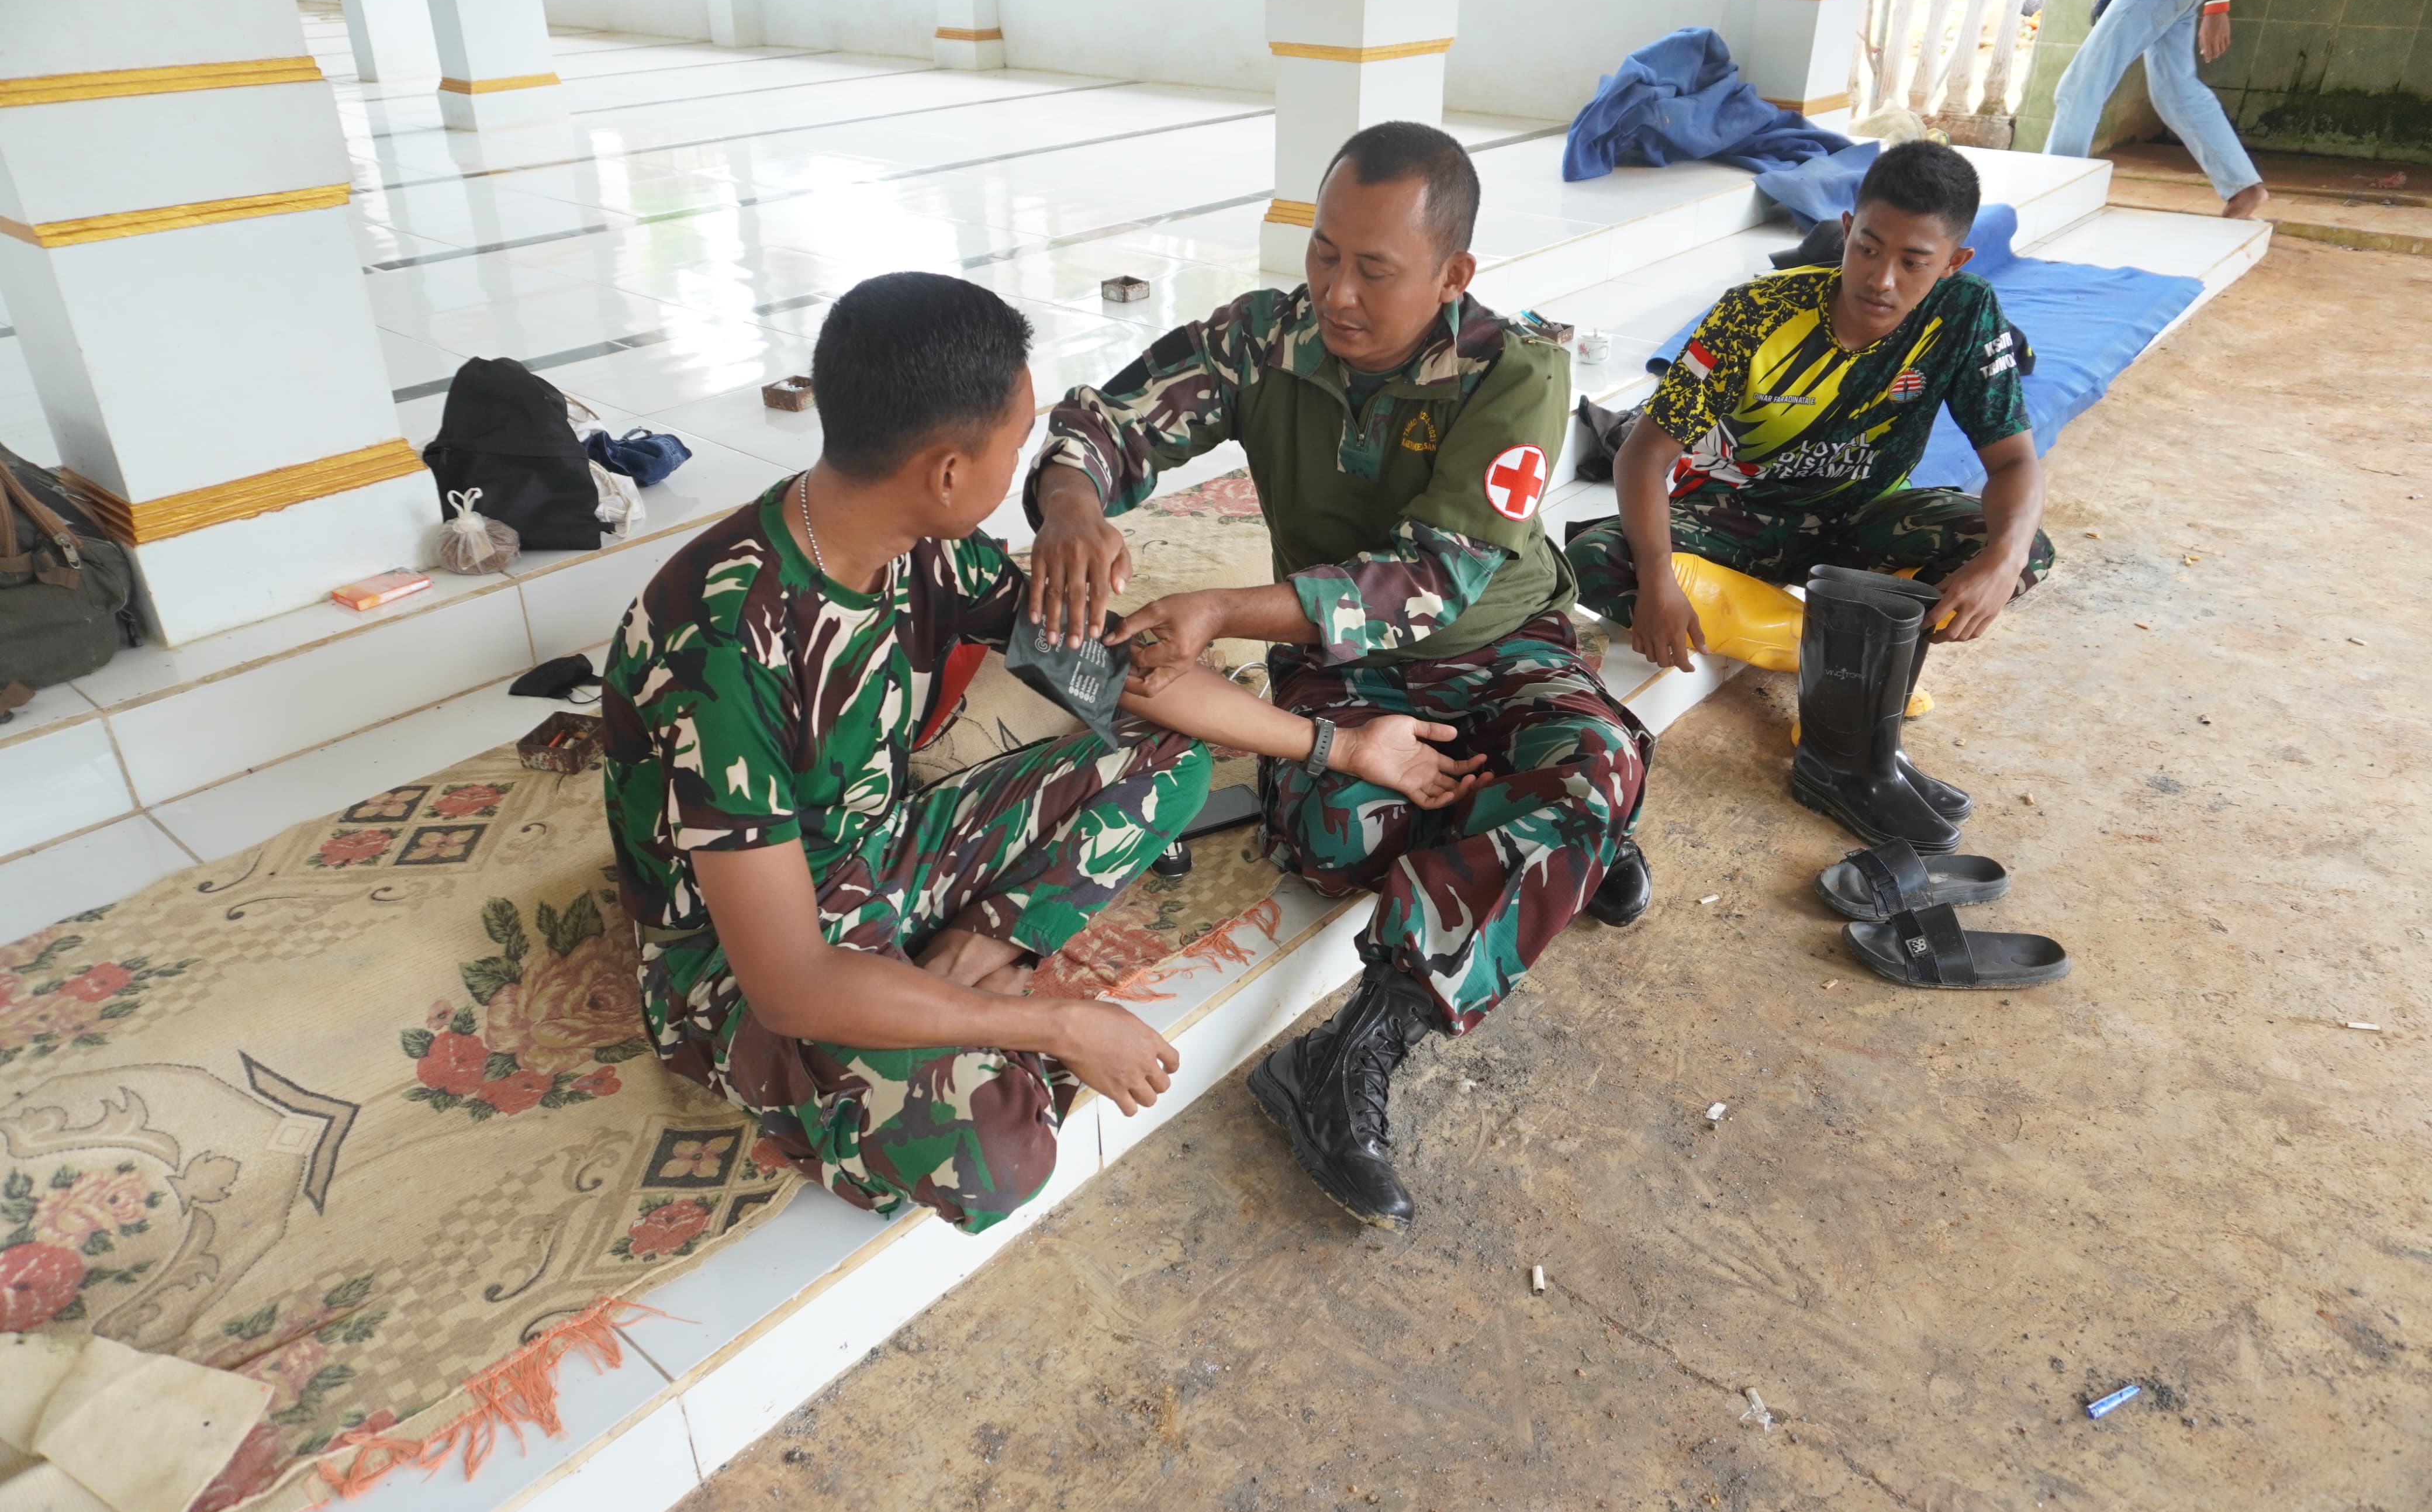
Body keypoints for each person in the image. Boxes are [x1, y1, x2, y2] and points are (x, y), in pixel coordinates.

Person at [602, 272, 1486, 1236]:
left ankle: (959, 960)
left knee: (1173, 757)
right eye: (1017, 446)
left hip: (871, 853)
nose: (1026, 468)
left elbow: (1130, 677)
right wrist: (1053, 1022)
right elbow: (792, 981)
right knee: (1002, 1148)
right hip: (738, 958)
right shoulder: (726, 641)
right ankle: (913, 1020)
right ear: (947, 470)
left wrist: (1343, 744)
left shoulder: (913, 543)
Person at [1023, 122, 1652, 1232]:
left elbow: (1432, 578)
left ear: (1454, 274)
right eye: (1322, 254)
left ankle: (1358, 1049)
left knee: (1591, 754)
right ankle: (1553, 834)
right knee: (1330, 831)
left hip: (1503, 647)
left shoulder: (1519, 370)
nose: (1336, 294)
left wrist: (1216, 607)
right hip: (1346, 669)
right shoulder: (1264, 339)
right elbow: (1104, 421)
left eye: (1374, 269)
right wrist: (1073, 502)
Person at [1563, 140, 2056, 851]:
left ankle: (1843, 719)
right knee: (1598, 556)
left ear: (1952, 263)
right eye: (1866, 247)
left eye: (1913, 261)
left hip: (1865, 518)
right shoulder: (1756, 313)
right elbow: (1644, 453)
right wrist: (1656, 581)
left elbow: (2012, 460)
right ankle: (1851, 672)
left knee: (2018, 549)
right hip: (1742, 517)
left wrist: (2003, 560)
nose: (1881, 278)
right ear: (1848, 227)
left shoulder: (1964, 312)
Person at [2044, 0, 2266, 219]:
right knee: (2176, 92)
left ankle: (2054, 193)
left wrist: (2218, 4)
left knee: (2080, 88)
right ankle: (2244, 186)